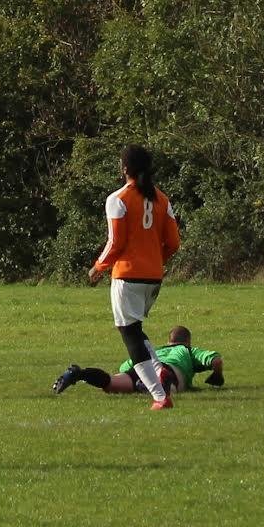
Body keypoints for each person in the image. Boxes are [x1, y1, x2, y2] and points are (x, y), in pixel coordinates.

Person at [87, 144, 181, 410]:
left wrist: (98, 267)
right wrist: (155, 261)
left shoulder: (118, 199)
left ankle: (160, 397)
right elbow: (173, 243)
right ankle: (160, 369)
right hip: (153, 278)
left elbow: (115, 242)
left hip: (127, 276)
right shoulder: (162, 199)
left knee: (129, 335)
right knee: (136, 329)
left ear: (125, 168)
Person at [52, 325, 224, 396]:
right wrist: (217, 376)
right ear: (187, 341)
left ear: (169, 341)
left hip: (140, 366)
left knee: (111, 383)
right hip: (165, 370)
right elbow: (216, 361)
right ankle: (152, 385)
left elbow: (125, 365)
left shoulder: (155, 350)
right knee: (169, 390)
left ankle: (79, 373)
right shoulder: (186, 349)